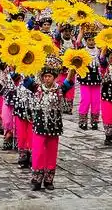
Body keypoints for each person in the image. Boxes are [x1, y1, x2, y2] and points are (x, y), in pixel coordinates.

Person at [29, 56, 75, 191]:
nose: (47, 78)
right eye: (45, 76)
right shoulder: (37, 88)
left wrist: (73, 68)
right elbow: (26, 79)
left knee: (52, 151)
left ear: (54, 77)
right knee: (37, 151)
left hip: (54, 125)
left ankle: (49, 179)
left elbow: (69, 80)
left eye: (49, 76)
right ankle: (36, 179)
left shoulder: (60, 89)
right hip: (40, 124)